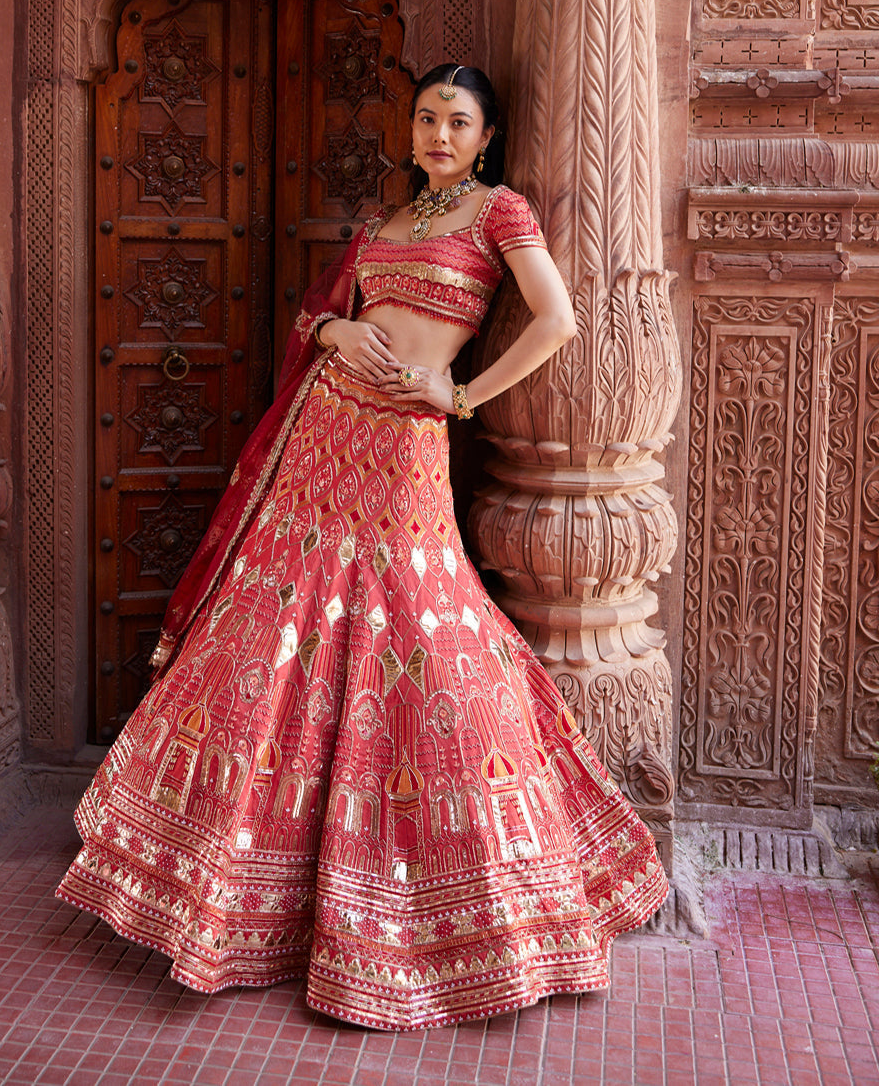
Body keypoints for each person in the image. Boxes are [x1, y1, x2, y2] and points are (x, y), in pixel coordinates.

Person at [56, 63, 668, 1031]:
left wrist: (460, 396)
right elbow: (319, 323)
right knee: (275, 632)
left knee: (426, 633)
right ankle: (232, 885)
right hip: (323, 439)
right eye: (425, 117)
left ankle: (466, 888)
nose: (436, 133)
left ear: (485, 133)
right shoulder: (387, 225)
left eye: (456, 121)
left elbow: (558, 320)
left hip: (403, 451)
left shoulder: (497, 215)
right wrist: (338, 331)